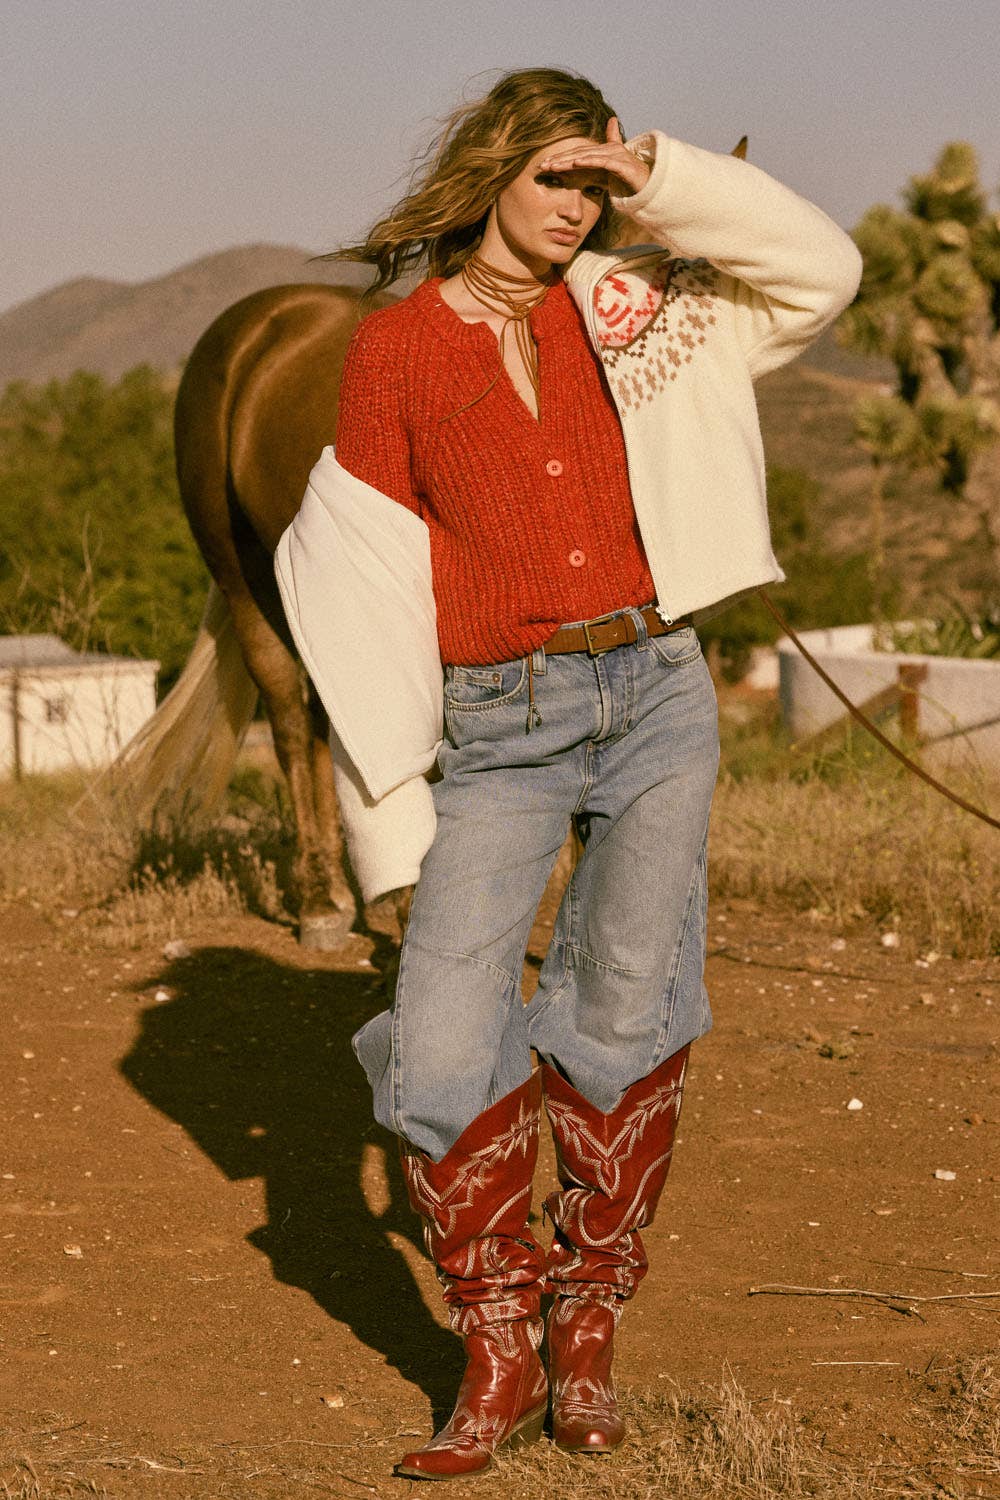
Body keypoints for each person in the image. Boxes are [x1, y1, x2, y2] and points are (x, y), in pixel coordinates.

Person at [275, 67, 861, 1480]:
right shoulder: (394, 354)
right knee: (439, 1037)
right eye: (559, 178)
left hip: (659, 693)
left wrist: (658, 170)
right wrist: (385, 827)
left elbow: (824, 268)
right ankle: (496, 1342)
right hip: (499, 721)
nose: (581, 208)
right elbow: (357, 601)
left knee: (629, 1007)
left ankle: (585, 1332)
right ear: (491, 174)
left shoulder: (637, 306)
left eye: (600, 185)